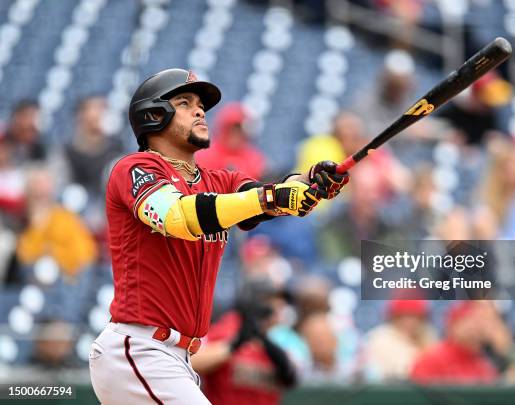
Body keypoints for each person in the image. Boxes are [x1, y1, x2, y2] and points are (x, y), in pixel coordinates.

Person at [88, 68, 349, 404]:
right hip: (140, 348)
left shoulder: (219, 181)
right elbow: (177, 215)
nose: (200, 111)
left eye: (201, 105)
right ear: (154, 115)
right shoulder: (135, 168)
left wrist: (313, 182)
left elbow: (271, 195)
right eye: (185, 102)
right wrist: (272, 197)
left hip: (177, 357)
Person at [192, 278, 296, 405]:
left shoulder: (278, 338)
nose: (279, 306)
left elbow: (292, 377)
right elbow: (191, 362)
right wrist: (233, 346)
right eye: (271, 300)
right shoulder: (228, 327)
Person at [410, 301, 499, 385]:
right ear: (453, 326)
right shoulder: (432, 358)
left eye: (479, 324)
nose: (475, 329)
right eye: (469, 322)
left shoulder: (483, 363)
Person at [195, 102, 266, 179]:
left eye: (239, 131)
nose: (235, 136)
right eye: (231, 130)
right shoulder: (204, 156)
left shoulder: (254, 159)